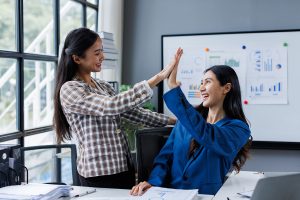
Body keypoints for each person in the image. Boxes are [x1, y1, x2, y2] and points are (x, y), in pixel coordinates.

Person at [53, 27, 181, 189]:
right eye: (97, 53)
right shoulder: (70, 89)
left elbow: (133, 113)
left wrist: (174, 121)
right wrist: (159, 77)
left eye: (102, 51)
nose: (102, 57)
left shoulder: (103, 86)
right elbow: (111, 106)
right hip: (99, 173)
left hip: (123, 165)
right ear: (77, 58)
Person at [130, 48, 252, 195]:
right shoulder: (186, 121)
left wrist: (174, 88)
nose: (201, 88)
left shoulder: (239, 129)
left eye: (207, 82)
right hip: (171, 195)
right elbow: (165, 158)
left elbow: (207, 134)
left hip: (206, 196)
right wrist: (153, 183)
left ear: (226, 88)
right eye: (201, 82)